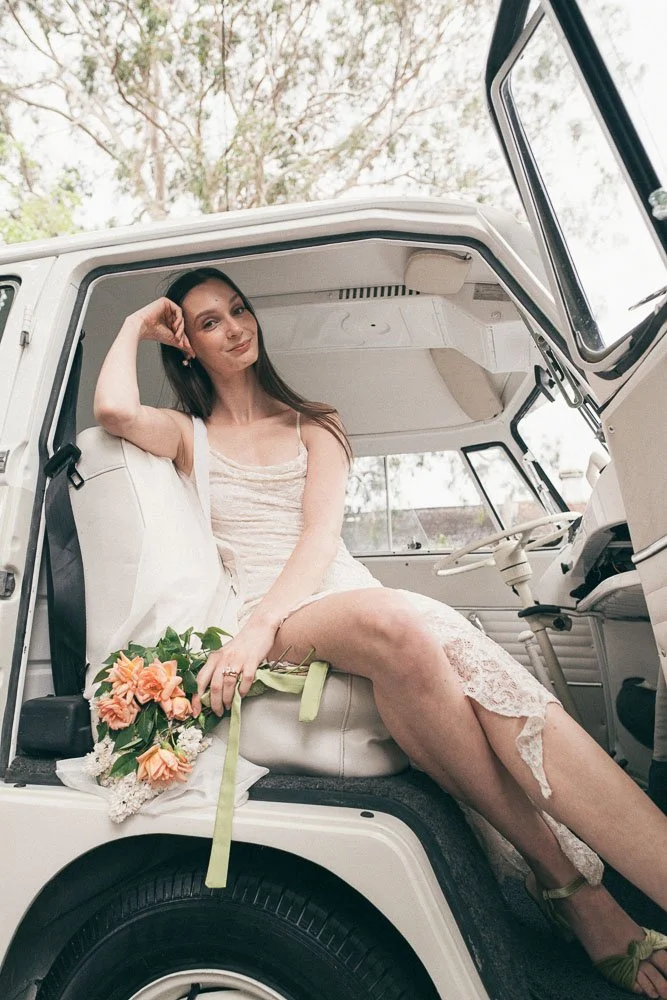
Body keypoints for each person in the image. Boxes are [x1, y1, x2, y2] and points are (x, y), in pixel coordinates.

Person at [94, 266, 667, 997]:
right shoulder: (187, 435)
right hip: (265, 615)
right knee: (401, 616)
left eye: (239, 309)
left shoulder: (315, 422)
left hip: (328, 593)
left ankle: (583, 890)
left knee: (424, 635)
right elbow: (113, 409)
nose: (234, 328)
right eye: (208, 322)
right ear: (186, 345)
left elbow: (318, 537)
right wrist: (137, 320)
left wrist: (266, 625)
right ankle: (574, 887)